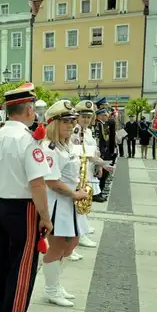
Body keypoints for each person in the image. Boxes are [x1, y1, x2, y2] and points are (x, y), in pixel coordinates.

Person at [0, 83, 52, 312]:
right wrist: (45, 217)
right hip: (23, 209)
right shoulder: (28, 140)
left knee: (3, 266)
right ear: (29, 110)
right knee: (22, 269)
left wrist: (0, 200)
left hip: (0, 205)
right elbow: (37, 184)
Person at [41, 100, 90, 308]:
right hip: (57, 203)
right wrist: (74, 193)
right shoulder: (50, 148)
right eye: (65, 122)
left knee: (72, 243)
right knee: (58, 246)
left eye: (72, 121)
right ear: (53, 123)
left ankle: (56, 283)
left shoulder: (66, 144)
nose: (71, 125)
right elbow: (51, 182)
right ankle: (51, 289)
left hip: (70, 202)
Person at [69, 101, 100, 252]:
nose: (86, 120)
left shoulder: (87, 131)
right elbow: (75, 150)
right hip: (77, 172)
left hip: (86, 170)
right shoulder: (75, 131)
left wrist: (98, 164)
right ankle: (79, 235)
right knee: (78, 205)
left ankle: (83, 230)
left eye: (89, 117)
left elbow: (93, 149)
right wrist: (96, 159)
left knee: (84, 202)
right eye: (83, 116)